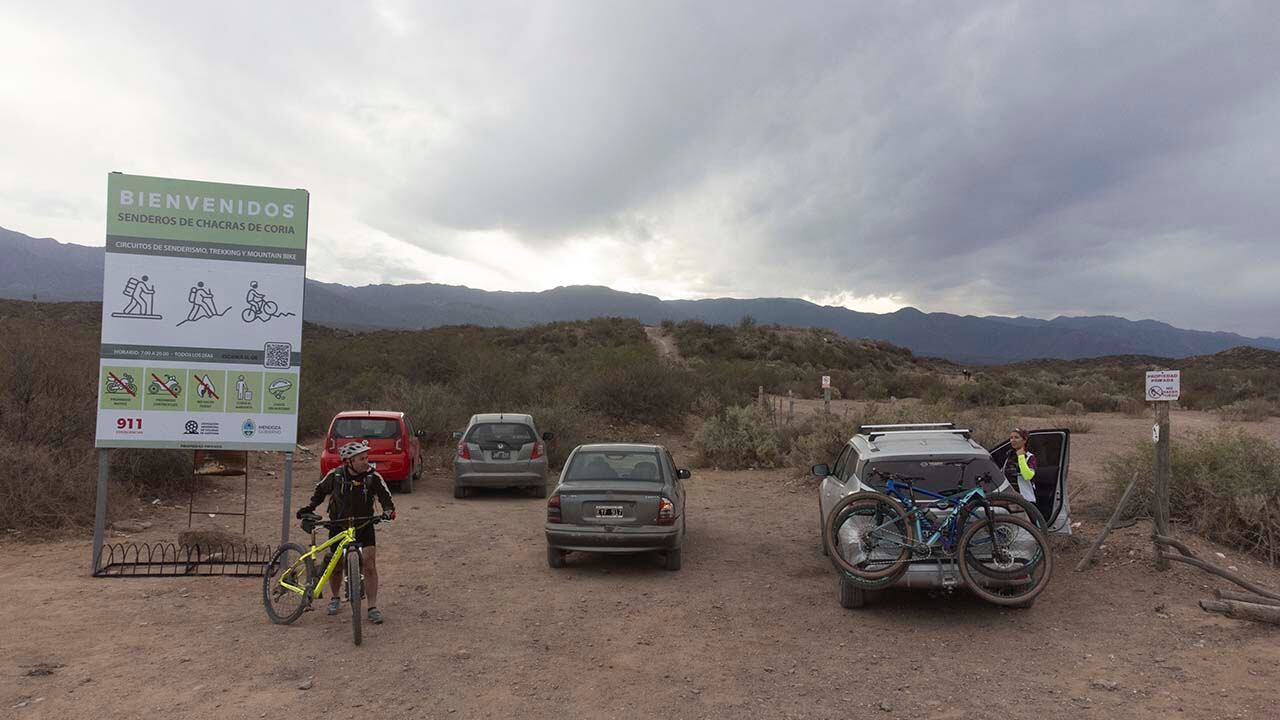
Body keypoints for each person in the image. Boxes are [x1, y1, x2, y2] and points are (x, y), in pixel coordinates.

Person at [296, 441, 396, 624]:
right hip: (338, 524)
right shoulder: (335, 476)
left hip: (363, 524)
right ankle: (335, 598)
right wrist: (309, 508)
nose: (365, 462)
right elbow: (319, 491)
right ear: (348, 461)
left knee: (370, 564)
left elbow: (385, 497)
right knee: (336, 564)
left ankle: (372, 607)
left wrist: (388, 511)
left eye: (366, 458)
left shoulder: (372, 477)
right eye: (361, 459)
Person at [1003, 428, 1040, 510]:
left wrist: (1021, 457)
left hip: (1026, 499)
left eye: (1016, 437)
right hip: (1010, 498)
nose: (1013, 440)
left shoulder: (1030, 457)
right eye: (1011, 438)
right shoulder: (1009, 456)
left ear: (1024, 440)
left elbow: (1028, 476)